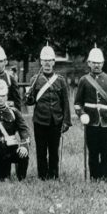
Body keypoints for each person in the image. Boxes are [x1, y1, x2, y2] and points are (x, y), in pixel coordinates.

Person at [74, 46, 107, 181]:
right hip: (91, 122)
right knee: (93, 153)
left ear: (103, 63)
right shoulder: (84, 80)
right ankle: (94, 179)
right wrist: (82, 114)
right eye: (94, 62)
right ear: (89, 63)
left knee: (106, 153)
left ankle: (106, 179)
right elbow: (77, 104)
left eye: (99, 62)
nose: (96, 65)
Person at [25, 45, 71, 180]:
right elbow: (30, 102)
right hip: (40, 120)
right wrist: (28, 97)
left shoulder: (60, 81)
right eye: (44, 60)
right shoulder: (35, 80)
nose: (47, 63)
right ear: (40, 62)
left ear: (53, 62)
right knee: (41, 150)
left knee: (53, 151)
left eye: (50, 60)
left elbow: (65, 103)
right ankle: (42, 176)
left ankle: (54, 175)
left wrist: (66, 121)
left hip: (55, 121)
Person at [0, 79, 31, 181]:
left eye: (3, 96)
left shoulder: (14, 112)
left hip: (11, 149)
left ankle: (21, 179)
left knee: (23, 155)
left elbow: (24, 130)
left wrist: (24, 146)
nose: (0, 98)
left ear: (7, 96)